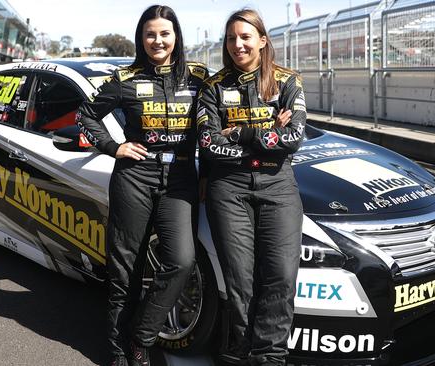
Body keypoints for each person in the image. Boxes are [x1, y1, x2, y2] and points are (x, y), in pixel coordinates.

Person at [75, 5, 207, 366]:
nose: (157, 40)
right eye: (150, 34)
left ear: (176, 36)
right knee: (125, 270)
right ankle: (120, 355)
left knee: (181, 261)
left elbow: (230, 111)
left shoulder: (199, 78)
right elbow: (85, 115)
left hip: (180, 178)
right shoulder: (124, 78)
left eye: (164, 33)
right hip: (134, 176)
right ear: (141, 38)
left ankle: (141, 335)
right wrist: (113, 147)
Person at [197, 8, 306, 365]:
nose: (238, 44)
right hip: (228, 190)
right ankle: (243, 352)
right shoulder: (213, 87)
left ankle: (269, 359)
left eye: (245, 37)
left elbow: (293, 138)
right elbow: (209, 143)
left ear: (262, 40)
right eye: (231, 38)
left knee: (281, 277)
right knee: (241, 282)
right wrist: (267, 134)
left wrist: (241, 133)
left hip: (278, 187)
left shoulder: (288, 81)